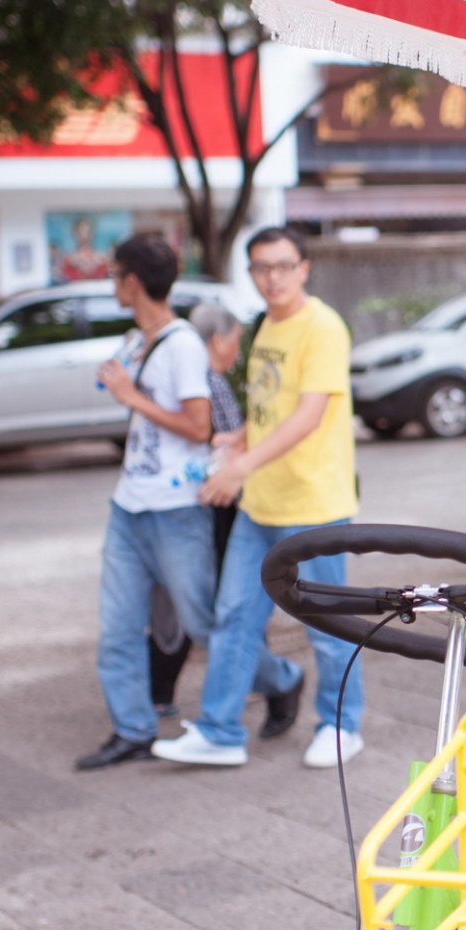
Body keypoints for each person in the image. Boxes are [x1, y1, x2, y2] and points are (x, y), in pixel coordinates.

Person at [155, 226, 366, 769]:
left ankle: (341, 725)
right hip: (261, 504)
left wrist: (239, 467)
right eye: (261, 268)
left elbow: (309, 414)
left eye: (282, 266)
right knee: (234, 620)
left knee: (328, 626)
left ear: (304, 268)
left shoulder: (322, 327)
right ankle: (221, 732)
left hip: (314, 504)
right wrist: (240, 438)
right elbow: (273, 405)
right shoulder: (265, 326)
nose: (273, 278)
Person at [74, 233, 216, 770]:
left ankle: (280, 680)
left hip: (176, 509)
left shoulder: (183, 345)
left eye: (114, 275)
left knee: (202, 624)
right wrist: (120, 381)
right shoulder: (139, 338)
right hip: (129, 504)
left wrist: (132, 397)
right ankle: (133, 729)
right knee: (117, 629)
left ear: (132, 282)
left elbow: (199, 427)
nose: (113, 284)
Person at [145, 302, 305, 735]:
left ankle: (190, 697)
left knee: (217, 605)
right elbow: (220, 439)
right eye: (235, 340)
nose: (237, 349)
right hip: (214, 503)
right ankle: (256, 683)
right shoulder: (207, 381)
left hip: (208, 501)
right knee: (221, 605)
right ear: (218, 340)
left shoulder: (198, 377)